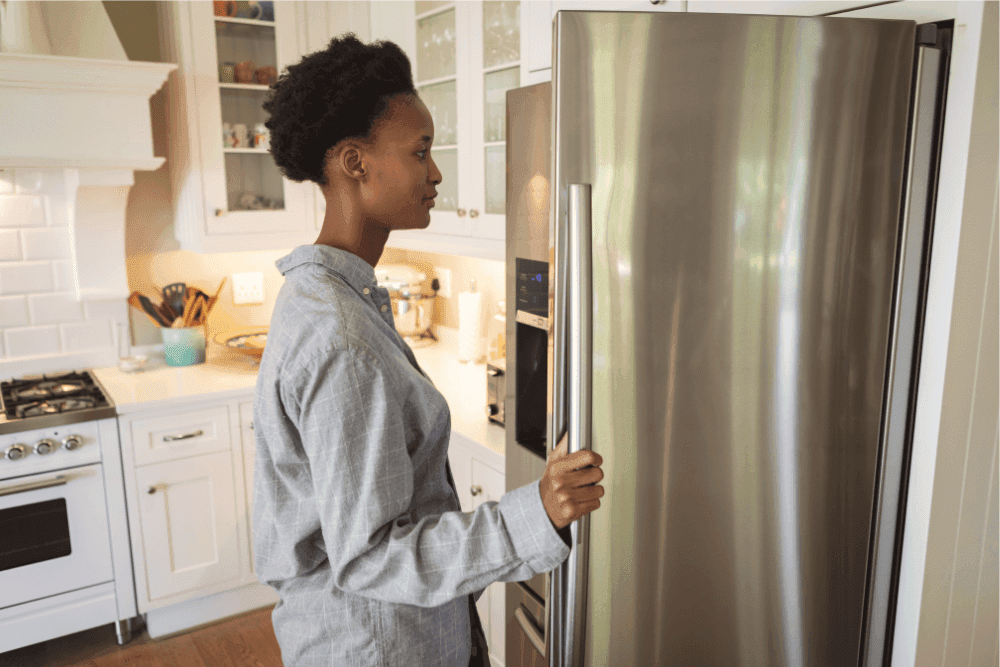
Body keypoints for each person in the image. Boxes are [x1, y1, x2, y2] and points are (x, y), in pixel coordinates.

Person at [253, 33, 604, 667]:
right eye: (420, 152)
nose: (435, 172)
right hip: (377, 649)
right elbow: (372, 557)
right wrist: (536, 511)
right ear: (355, 163)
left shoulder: (328, 296)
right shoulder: (341, 337)